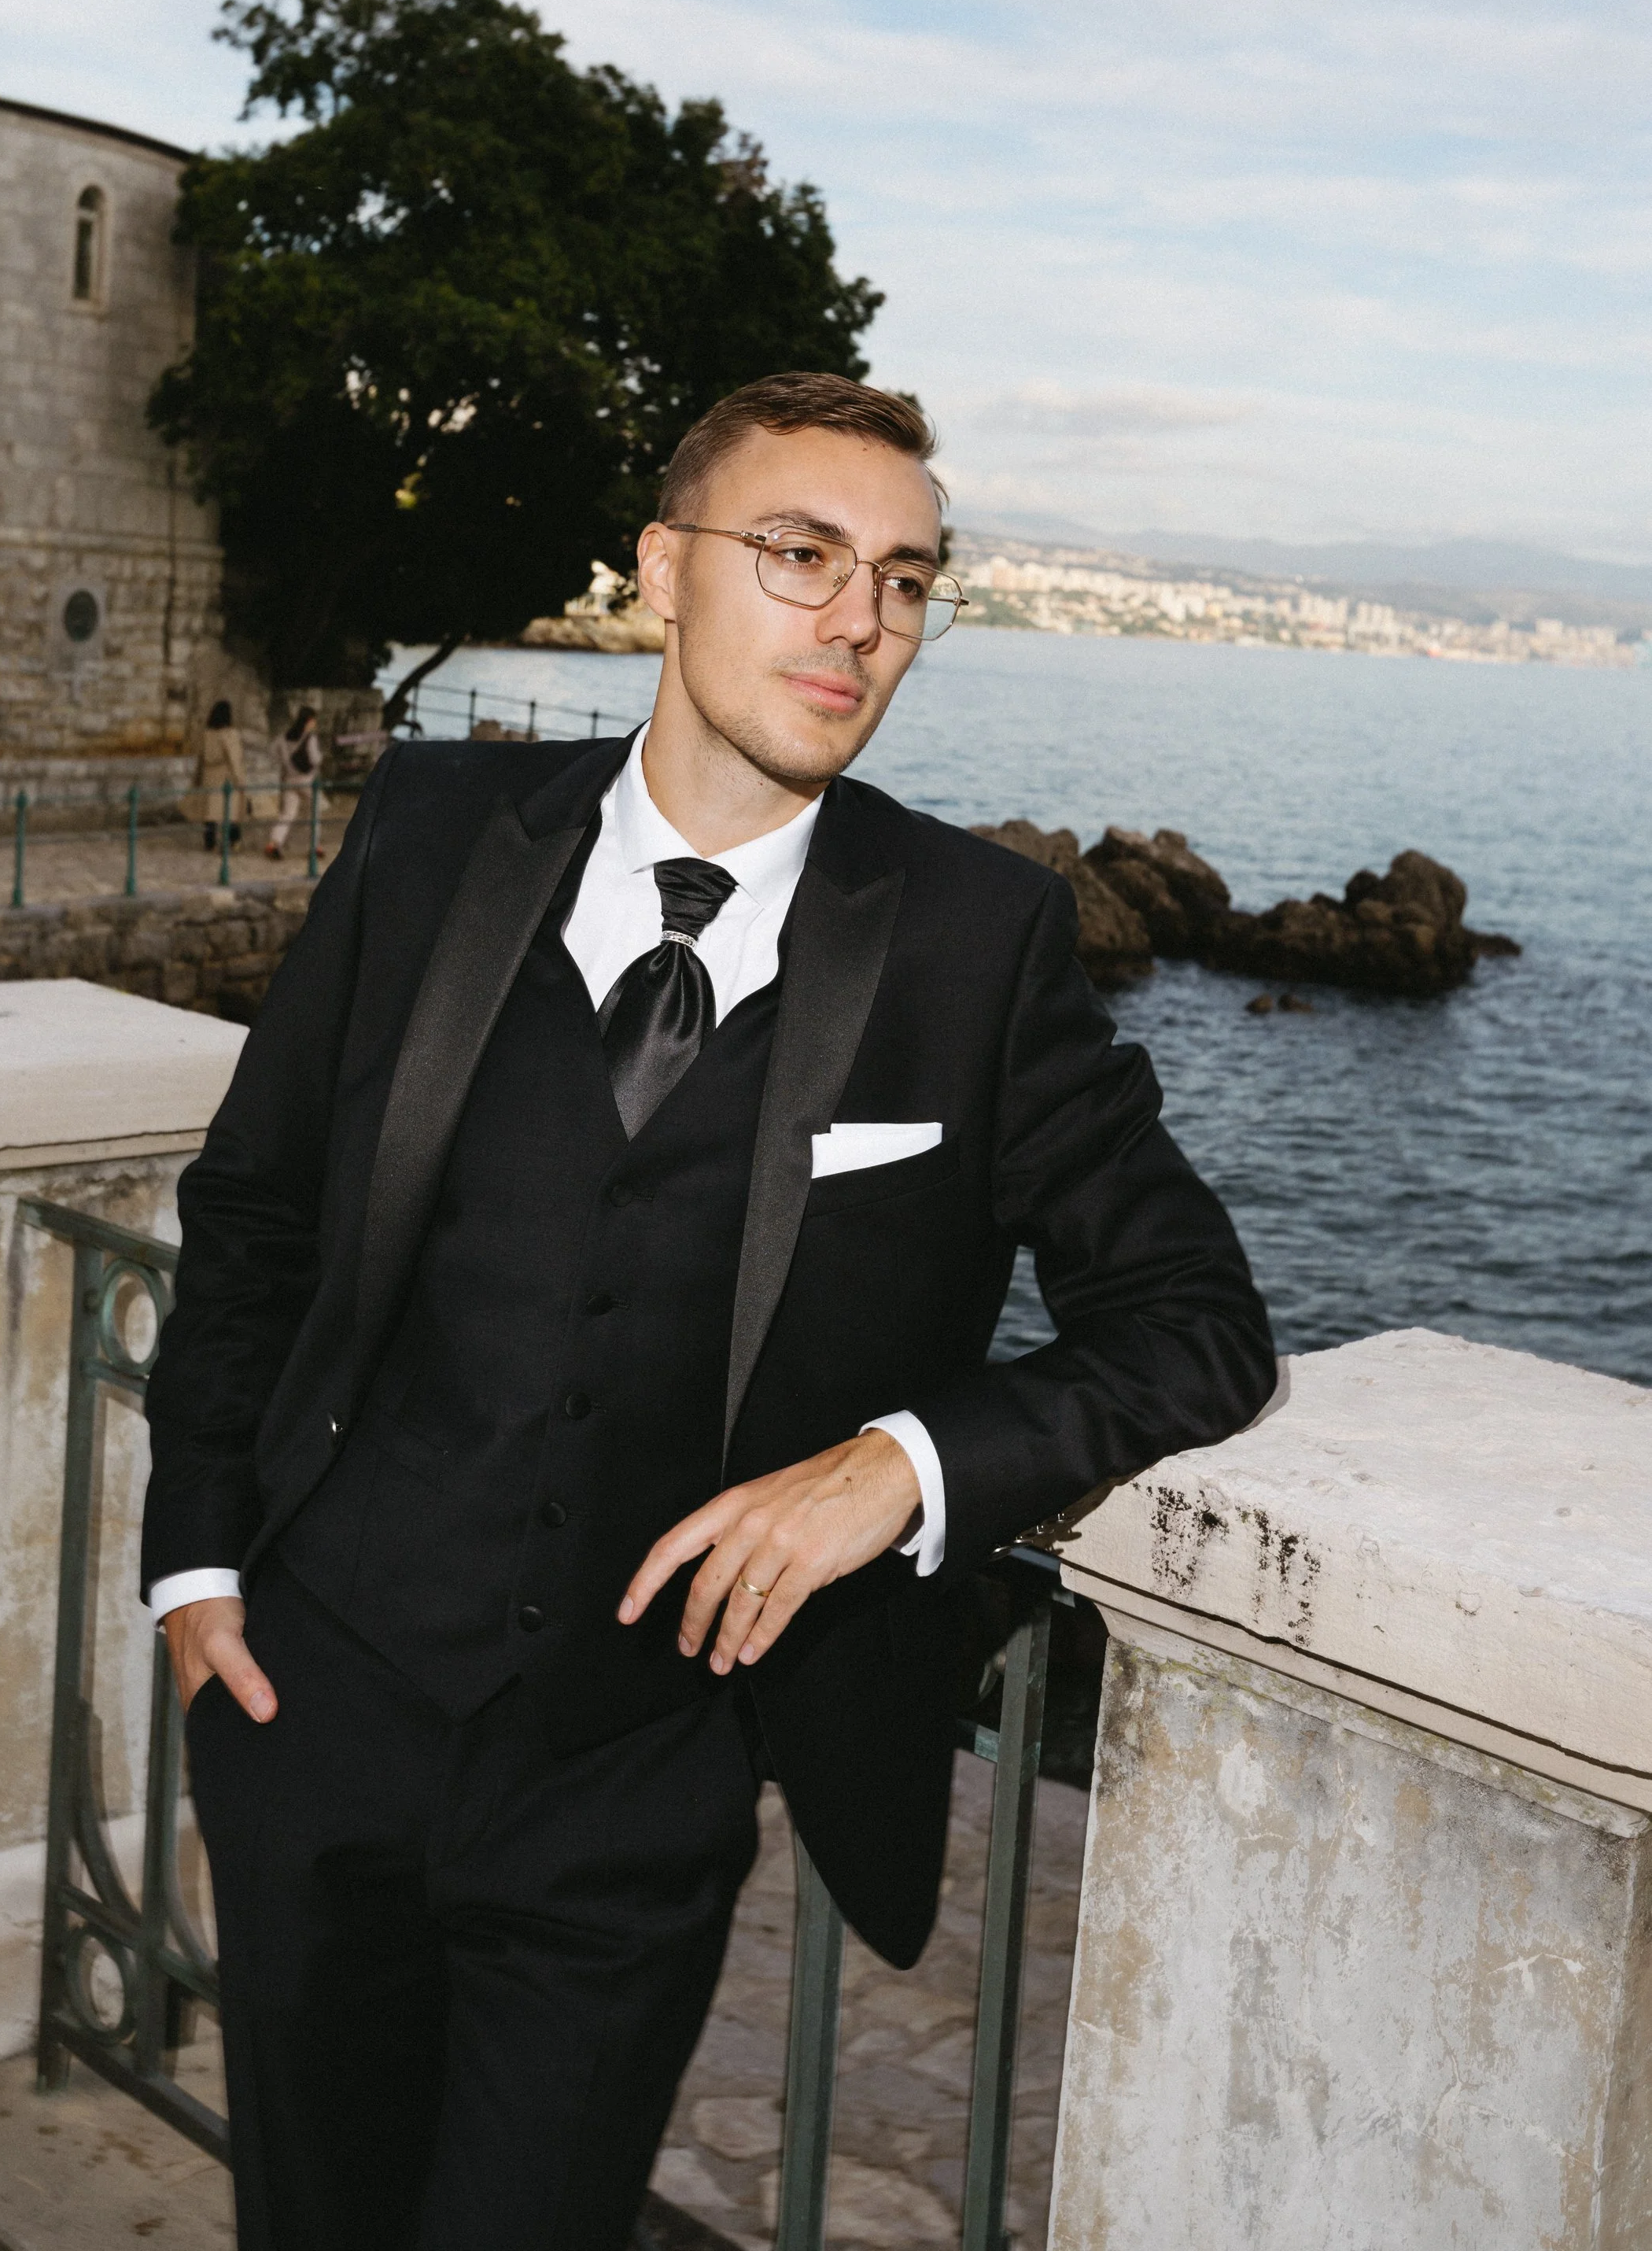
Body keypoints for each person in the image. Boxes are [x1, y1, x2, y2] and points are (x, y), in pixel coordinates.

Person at [143, 373, 1274, 2251]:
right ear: (660, 574)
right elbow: (255, 1204)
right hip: (310, 1713)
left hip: (637, 1780)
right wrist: (194, 1566)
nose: (859, 619)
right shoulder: (432, 830)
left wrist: (900, 1468)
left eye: (905, 579)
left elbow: (1192, 1317)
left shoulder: (977, 940)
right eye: (802, 554)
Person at [266, 705, 323, 861]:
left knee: (288, 813)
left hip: (289, 780)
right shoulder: (310, 737)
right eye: (314, 720)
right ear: (309, 721)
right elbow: (315, 759)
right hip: (306, 781)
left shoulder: (284, 737)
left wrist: (286, 764)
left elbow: (272, 753)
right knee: (315, 812)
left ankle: (274, 843)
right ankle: (315, 847)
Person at [196, 697, 245, 853]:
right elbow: (234, 758)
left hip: (209, 776)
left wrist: (198, 777)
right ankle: (234, 841)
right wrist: (240, 779)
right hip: (226, 776)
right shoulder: (230, 734)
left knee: (211, 813)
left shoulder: (207, 734)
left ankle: (209, 843)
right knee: (232, 812)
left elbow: (201, 757)